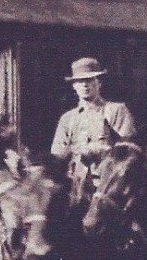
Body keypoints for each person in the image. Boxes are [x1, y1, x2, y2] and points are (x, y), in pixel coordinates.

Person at [50, 56, 137, 209]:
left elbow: (129, 152)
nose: (85, 85)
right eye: (79, 81)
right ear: (74, 86)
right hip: (75, 191)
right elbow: (57, 155)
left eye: (90, 80)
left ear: (99, 82)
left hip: (107, 189)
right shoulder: (67, 119)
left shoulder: (116, 110)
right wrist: (78, 150)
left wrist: (102, 149)